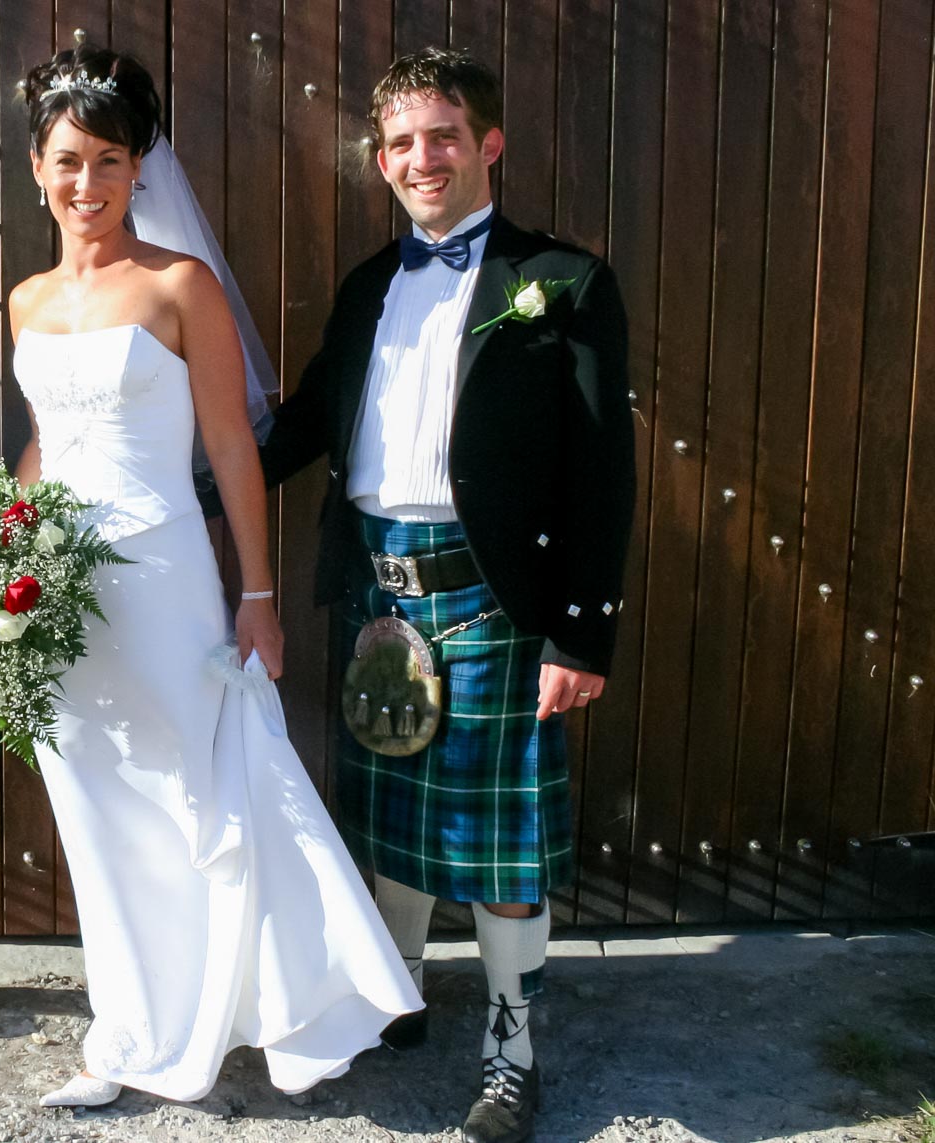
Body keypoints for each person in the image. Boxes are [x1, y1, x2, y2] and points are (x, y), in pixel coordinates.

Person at [7, 45, 423, 1109]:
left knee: (200, 795)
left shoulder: (178, 285)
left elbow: (233, 449)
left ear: (139, 167)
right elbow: (44, 445)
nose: (86, 185)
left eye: (108, 160)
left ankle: (261, 1006)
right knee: (96, 806)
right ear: (36, 164)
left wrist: (256, 597)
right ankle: (130, 1033)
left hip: (160, 578)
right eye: (68, 161)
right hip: (54, 597)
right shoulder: (25, 299)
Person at [259, 48, 635, 1143]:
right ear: (381, 161)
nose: (422, 159)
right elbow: (309, 420)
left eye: (443, 136)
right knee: (390, 827)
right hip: (377, 591)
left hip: (498, 603)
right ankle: (400, 996)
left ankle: (513, 1046)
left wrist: (581, 630)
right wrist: (182, 491)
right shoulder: (369, 283)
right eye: (402, 144)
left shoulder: (562, 283)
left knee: (501, 850)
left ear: (488, 144)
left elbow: (603, 473)